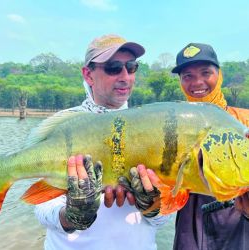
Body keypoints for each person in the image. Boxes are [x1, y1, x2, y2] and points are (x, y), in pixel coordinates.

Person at [35, 34, 169, 250]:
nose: (125, 76)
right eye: (114, 67)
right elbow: (42, 209)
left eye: (131, 67)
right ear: (88, 74)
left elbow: (161, 221)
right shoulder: (68, 126)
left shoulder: (153, 129)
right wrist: (72, 215)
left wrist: (153, 206)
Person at [169, 43, 249, 250]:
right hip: (190, 223)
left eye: (206, 72)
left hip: (240, 222)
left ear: (219, 75)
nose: (197, 82)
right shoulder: (174, 121)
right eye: (187, 76)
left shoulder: (245, 121)